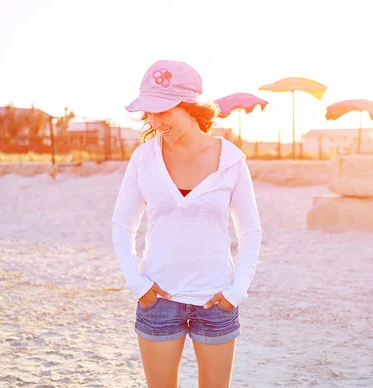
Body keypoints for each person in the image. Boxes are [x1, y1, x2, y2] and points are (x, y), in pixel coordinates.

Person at [112, 59, 262, 388]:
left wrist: (236, 292)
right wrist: (138, 285)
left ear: (190, 107)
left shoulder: (231, 160)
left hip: (216, 300)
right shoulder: (143, 159)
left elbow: (250, 231)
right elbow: (123, 226)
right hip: (158, 300)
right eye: (149, 112)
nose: (154, 121)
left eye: (163, 111)